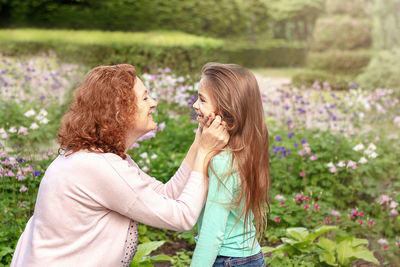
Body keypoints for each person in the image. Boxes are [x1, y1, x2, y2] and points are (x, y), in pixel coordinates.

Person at [10, 64, 229, 267]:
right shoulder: (98, 168)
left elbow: (166, 195)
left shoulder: (98, 158)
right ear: (120, 111)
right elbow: (181, 217)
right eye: (144, 98)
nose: (153, 102)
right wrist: (205, 153)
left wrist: (201, 138)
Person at [190, 63, 270, 267]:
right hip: (250, 256)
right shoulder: (244, 149)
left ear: (227, 108)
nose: (195, 105)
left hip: (227, 260)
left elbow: (213, 231)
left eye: (202, 99)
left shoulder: (222, 161)